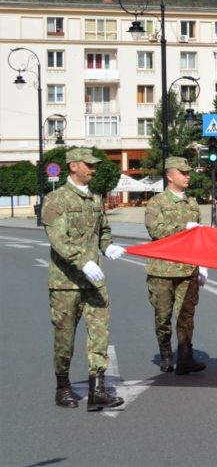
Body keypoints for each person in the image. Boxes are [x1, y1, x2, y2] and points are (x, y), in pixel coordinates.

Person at [43, 147, 125, 411]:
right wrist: (82, 261)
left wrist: (107, 245)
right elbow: (58, 240)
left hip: (93, 281)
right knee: (64, 338)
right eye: (88, 165)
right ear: (73, 166)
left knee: (99, 333)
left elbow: (103, 229)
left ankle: (97, 389)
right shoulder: (55, 200)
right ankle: (62, 386)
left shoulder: (94, 199)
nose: (93, 169)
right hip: (65, 283)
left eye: (93, 165)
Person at [144, 157, 208, 375]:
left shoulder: (192, 203)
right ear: (170, 176)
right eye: (183, 172)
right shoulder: (157, 203)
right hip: (162, 269)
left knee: (186, 315)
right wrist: (184, 227)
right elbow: (156, 231)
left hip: (188, 268)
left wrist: (203, 264)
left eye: (188, 172)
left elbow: (199, 237)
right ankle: (165, 353)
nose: (188, 176)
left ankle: (185, 357)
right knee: (163, 316)